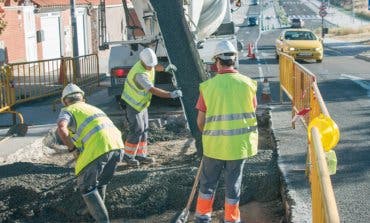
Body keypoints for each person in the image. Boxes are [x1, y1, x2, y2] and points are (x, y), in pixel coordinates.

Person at [194, 40, 258, 223]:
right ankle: (231, 218)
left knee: (207, 183)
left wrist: (210, 134)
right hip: (239, 147)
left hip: (214, 147)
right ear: (235, 60)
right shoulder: (248, 85)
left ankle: (202, 217)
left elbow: (201, 122)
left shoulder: (208, 87)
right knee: (233, 184)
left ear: (217, 62)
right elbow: (251, 111)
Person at [57, 83, 124, 223]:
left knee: (86, 186)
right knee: (100, 183)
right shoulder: (92, 108)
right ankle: (92, 212)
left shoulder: (68, 110)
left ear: (65, 101)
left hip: (98, 148)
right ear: (82, 98)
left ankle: (102, 220)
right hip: (117, 145)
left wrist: (72, 149)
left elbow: (61, 129)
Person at [120, 47, 182, 166]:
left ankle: (141, 155)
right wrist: (171, 95)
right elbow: (152, 90)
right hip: (133, 104)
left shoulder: (147, 64)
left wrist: (166, 68)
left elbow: (156, 67)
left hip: (141, 104)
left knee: (144, 130)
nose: (151, 67)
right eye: (149, 65)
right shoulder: (139, 74)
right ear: (143, 61)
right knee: (137, 129)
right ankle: (128, 156)